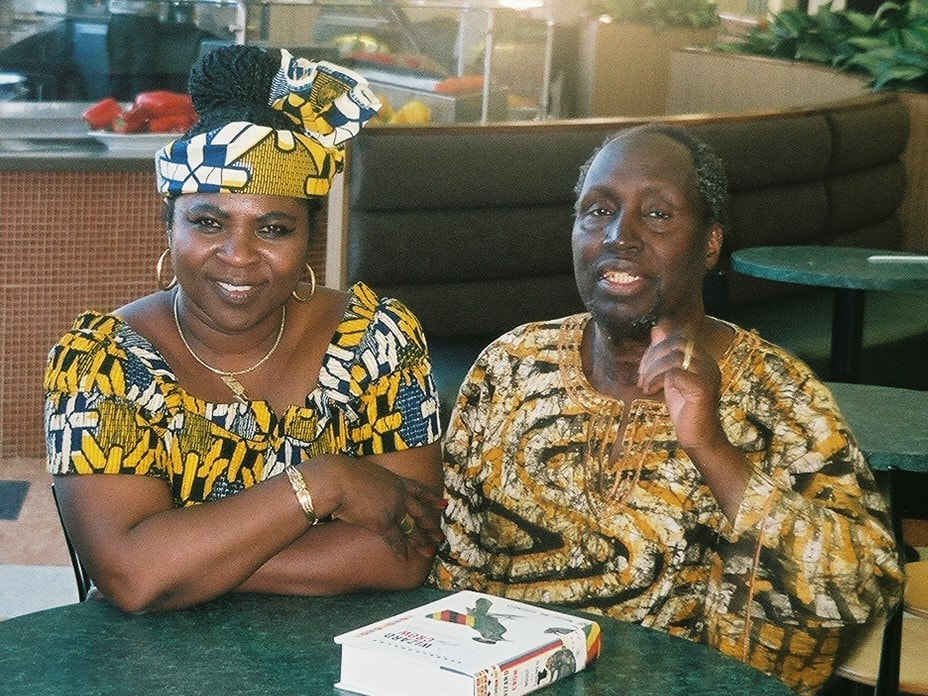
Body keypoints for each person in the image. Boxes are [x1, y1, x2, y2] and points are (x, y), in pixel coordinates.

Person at [431, 124, 903, 694]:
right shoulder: (509, 368)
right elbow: (450, 569)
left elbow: (859, 589)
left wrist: (712, 447)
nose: (619, 236)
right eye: (598, 211)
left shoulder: (779, 395)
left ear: (710, 242)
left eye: (656, 215)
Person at [45, 44, 444, 614]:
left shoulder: (378, 342)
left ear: (308, 238)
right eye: (208, 222)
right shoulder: (101, 362)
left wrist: (180, 559)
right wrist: (324, 483)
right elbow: (129, 576)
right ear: (170, 228)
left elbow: (407, 552)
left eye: (273, 228)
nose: (238, 256)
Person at [106, 0, 166, 101]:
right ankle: (138, 109)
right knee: (143, 69)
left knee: (119, 67)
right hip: (144, 17)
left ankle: (116, 109)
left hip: (119, 17)